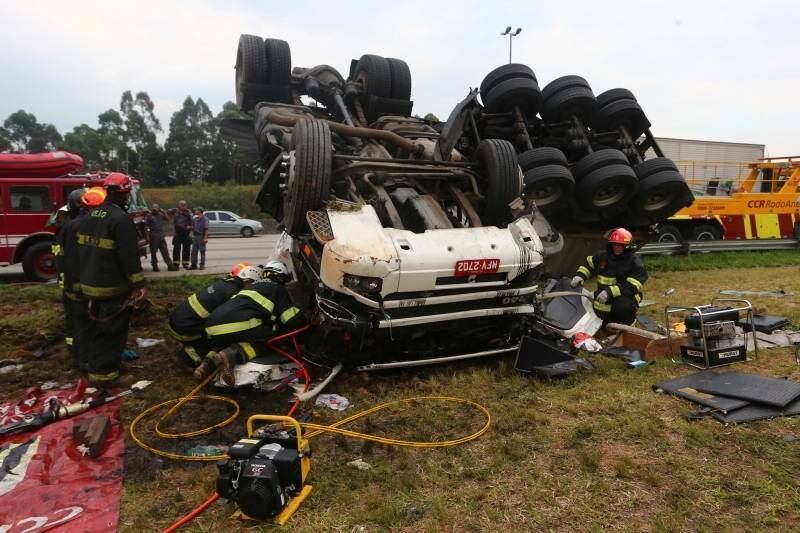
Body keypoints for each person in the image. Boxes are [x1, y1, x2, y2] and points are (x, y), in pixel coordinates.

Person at [77, 173, 146, 387]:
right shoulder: (120, 219)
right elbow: (129, 257)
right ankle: (105, 376)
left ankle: (107, 364)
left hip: (90, 285)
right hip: (111, 287)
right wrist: (139, 285)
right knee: (112, 331)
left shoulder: (90, 216)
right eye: (127, 194)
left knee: (98, 328)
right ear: (124, 193)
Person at [196, 260, 306, 385]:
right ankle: (231, 355)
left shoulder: (249, 287)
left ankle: (207, 364)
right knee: (271, 340)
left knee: (229, 339)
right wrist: (305, 321)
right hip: (239, 323)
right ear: (280, 276)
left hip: (212, 326)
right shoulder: (277, 289)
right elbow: (291, 320)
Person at [168, 263, 261, 366]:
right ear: (248, 282)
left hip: (174, 322)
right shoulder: (233, 294)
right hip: (185, 331)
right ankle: (191, 354)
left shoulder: (222, 283)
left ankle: (189, 343)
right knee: (223, 336)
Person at [570, 227, 648, 327]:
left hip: (625, 297)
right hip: (603, 298)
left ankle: (628, 327)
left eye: (620, 245)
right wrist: (580, 275)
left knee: (623, 307)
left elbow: (632, 285)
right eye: (614, 244)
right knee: (600, 322)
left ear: (627, 246)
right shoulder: (602, 256)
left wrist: (609, 292)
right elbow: (589, 264)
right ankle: (607, 323)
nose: (617, 247)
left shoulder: (633, 262)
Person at [145, 203, 178, 272]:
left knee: (165, 251)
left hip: (161, 234)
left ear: (158, 209)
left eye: (156, 209)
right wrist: (147, 237)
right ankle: (155, 266)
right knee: (153, 252)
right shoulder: (149, 216)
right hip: (153, 234)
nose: (154, 210)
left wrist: (164, 212)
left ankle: (170, 265)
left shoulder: (160, 215)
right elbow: (146, 227)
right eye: (153, 209)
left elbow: (168, 219)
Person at [169, 200, 193, 269]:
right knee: (176, 249)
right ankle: (176, 264)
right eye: (181, 205)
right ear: (178, 205)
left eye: (184, 205)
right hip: (177, 233)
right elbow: (168, 211)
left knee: (186, 249)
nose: (182, 207)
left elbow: (193, 221)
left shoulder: (189, 212)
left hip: (186, 233)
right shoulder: (175, 211)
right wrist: (174, 209)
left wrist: (190, 227)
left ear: (186, 205)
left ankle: (185, 264)